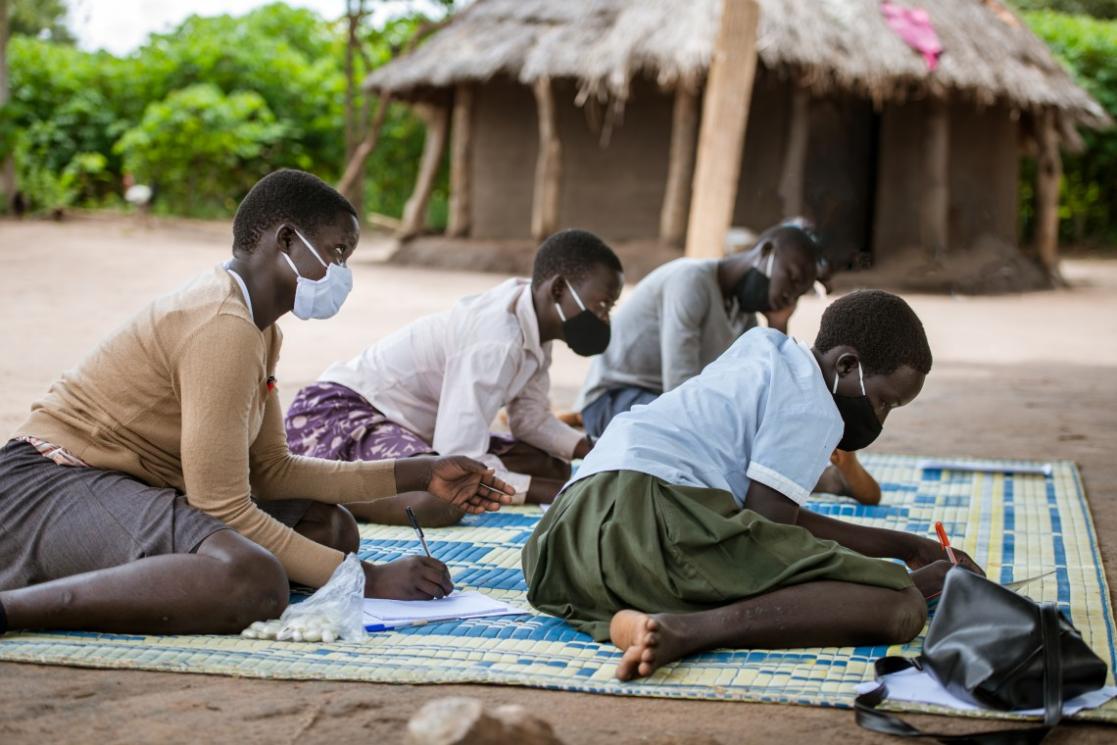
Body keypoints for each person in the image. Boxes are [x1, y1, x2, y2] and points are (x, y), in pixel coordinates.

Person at [0, 169, 514, 638]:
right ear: (287, 239)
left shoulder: (259, 330)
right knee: (251, 580)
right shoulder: (221, 324)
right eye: (337, 254)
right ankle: (12, 610)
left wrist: (418, 472)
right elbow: (221, 504)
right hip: (48, 485)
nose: (342, 273)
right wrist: (368, 579)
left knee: (330, 527)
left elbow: (269, 469)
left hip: (130, 484)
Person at [523, 290, 984, 681]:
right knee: (897, 606)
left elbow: (760, 522)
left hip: (567, 546)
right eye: (884, 401)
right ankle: (689, 631)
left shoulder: (763, 351)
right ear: (846, 365)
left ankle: (638, 617)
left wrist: (903, 545)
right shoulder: (812, 402)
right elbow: (771, 537)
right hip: (650, 525)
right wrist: (915, 578)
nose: (880, 418)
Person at [285, 229, 624, 524]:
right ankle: (333, 488)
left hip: (417, 430)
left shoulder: (534, 329)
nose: (604, 319)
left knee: (552, 466)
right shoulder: (496, 339)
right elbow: (461, 453)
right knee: (444, 499)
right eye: (600, 306)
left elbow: (530, 420)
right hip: (342, 414)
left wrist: (592, 450)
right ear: (559, 290)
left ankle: (379, 478)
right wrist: (560, 493)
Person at [575, 221, 881, 506]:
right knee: (700, 444)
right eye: (791, 279)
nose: (789, 296)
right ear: (765, 253)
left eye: (799, 294)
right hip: (617, 399)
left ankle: (804, 478)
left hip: (668, 404)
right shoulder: (690, 281)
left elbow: (768, 389)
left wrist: (778, 323)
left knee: (732, 433)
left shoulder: (742, 314)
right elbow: (679, 394)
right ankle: (816, 480)